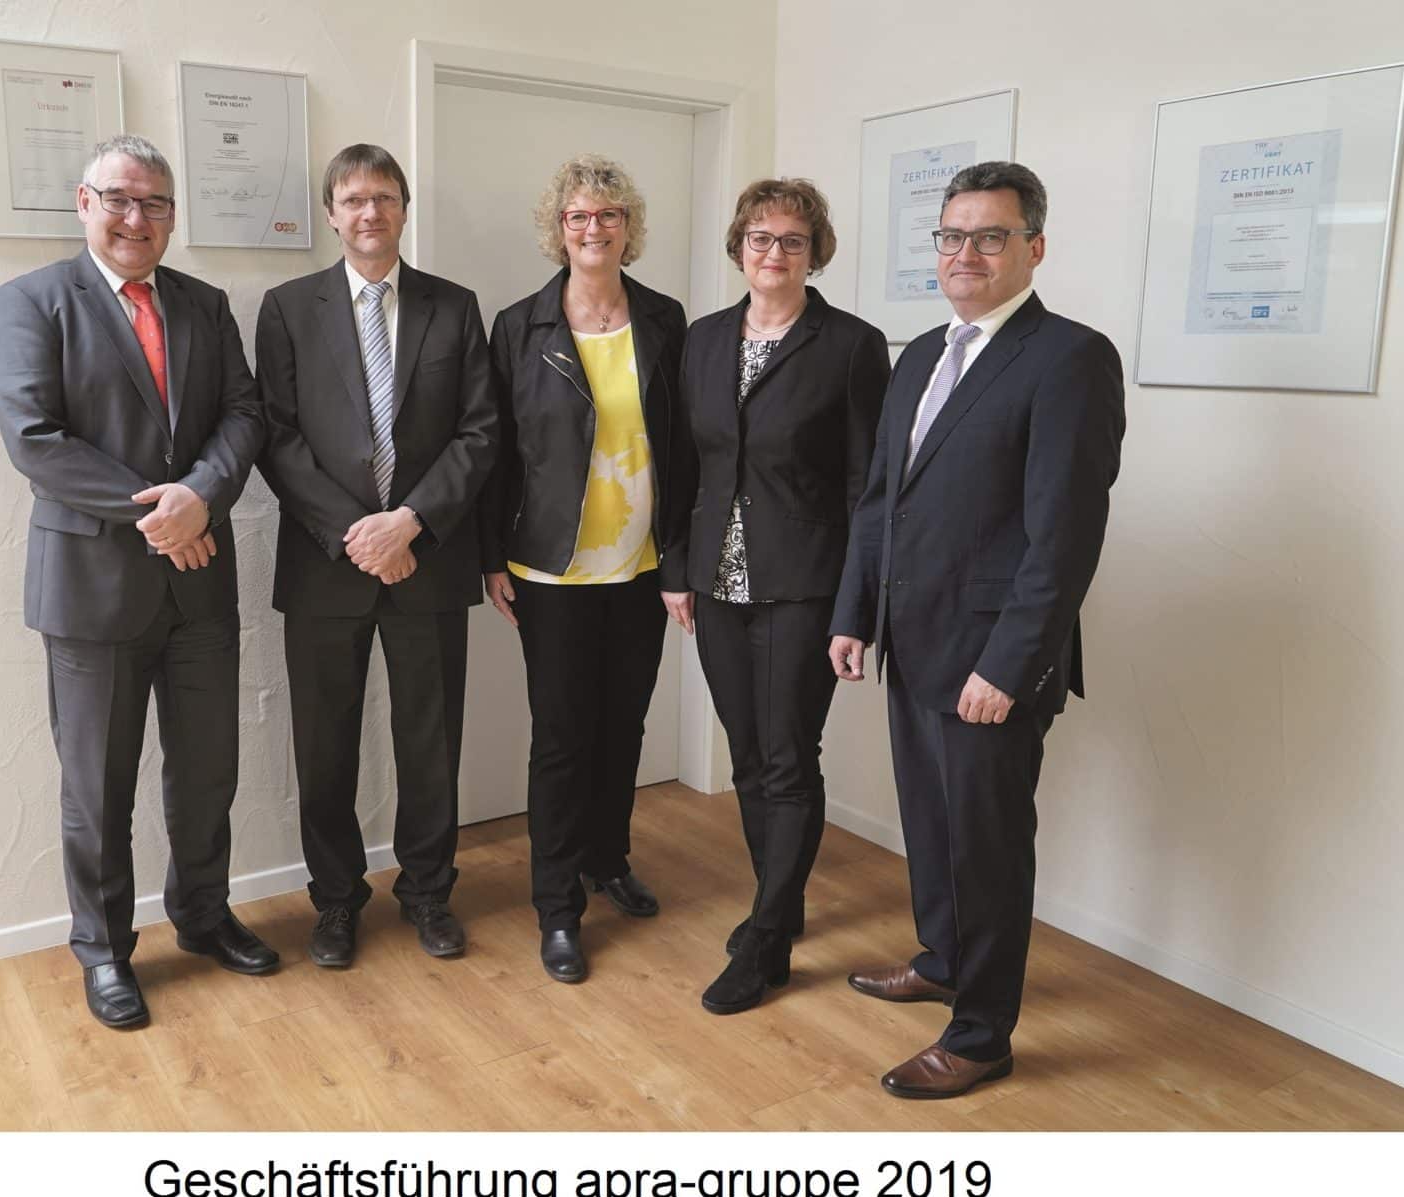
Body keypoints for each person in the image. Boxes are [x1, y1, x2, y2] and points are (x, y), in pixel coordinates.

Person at [831, 161, 1125, 1099]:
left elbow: (1063, 537)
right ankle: (944, 960)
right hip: (911, 638)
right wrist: (855, 613)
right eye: (952, 236)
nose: (966, 254)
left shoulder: (1069, 357)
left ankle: (982, 1033)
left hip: (992, 657)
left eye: (990, 237)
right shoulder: (920, 352)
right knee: (931, 824)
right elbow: (881, 498)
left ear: (1033, 247)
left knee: (987, 848)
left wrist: (1009, 663)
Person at [0, 134, 275, 1030]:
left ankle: (203, 915)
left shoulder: (204, 304)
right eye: (119, 198)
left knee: (207, 772)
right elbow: (34, 438)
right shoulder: (34, 301)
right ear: (85, 203)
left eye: (154, 203)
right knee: (97, 787)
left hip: (200, 587)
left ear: (172, 216)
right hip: (93, 590)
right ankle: (105, 950)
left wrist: (201, 495)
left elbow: (243, 413)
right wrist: (164, 515)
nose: (135, 218)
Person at [254, 144, 498, 969]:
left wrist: (410, 524)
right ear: (330, 212)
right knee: (324, 745)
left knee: (430, 742)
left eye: (384, 197)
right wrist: (359, 534)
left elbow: (479, 431)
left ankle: (428, 892)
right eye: (354, 199)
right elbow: (277, 438)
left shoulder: (453, 307)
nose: (370, 212)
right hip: (326, 565)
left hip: (427, 560)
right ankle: (335, 900)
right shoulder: (288, 309)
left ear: (402, 209)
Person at [667, 178, 889, 1014]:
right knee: (748, 755)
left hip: (806, 584)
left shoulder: (850, 345)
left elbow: (868, 486)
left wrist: (856, 607)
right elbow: (684, 464)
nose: (774, 253)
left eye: (792, 240)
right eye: (760, 238)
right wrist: (676, 570)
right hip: (717, 582)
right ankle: (779, 903)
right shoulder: (703, 339)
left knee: (789, 755)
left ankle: (766, 942)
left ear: (814, 253)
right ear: (739, 247)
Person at [480, 155, 689, 984]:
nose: (593, 229)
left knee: (623, 725)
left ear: (628, 228)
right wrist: (490, 556)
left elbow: (685, 446)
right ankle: (556, 906)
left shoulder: (666, 319)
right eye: (578, 216)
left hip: (641, 565)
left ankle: (608, 860)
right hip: (551, 571)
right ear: (557, 229)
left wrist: (681, 554)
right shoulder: (520, 326)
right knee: (563, 738)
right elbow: (497, 452)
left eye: (608, 215)